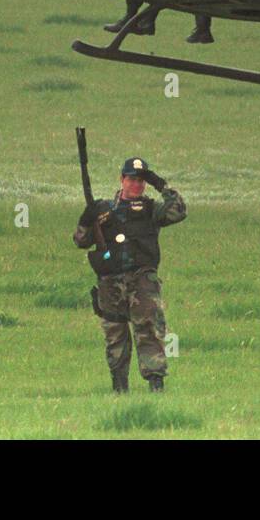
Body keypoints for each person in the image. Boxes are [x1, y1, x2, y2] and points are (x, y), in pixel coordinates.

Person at [73, 157, 186, 394]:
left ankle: (156, 384)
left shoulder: (151, 209)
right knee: (115, 335)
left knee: (149, 330)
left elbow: (179, 211)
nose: (137, 185)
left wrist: (161, 185)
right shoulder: (104, 210)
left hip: (142, 280)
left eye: (141, 181)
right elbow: (80, 241)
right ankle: (119, 387)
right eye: (132, 180)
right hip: (110, 283)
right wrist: (86, 218)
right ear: (122, 179)